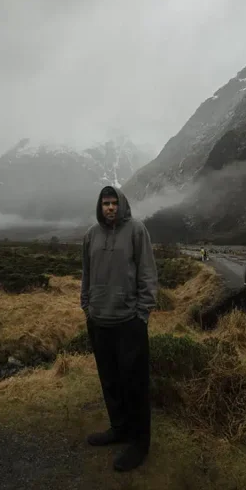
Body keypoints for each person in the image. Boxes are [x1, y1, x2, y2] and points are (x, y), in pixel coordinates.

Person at [81, 185, 158, 472]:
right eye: (105, 204)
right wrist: (87, 308)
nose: (110, 207)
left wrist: (142, 313)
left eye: (114, 203)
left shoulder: (137, 231)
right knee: (110, 381)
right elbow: (86, 274)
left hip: (129, 323)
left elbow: (147, 272)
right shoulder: (91, 235)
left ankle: (140, 443)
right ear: (100, 207)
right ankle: (119, 429)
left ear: (121, 204)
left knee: (134, 384)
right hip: (99, 322)